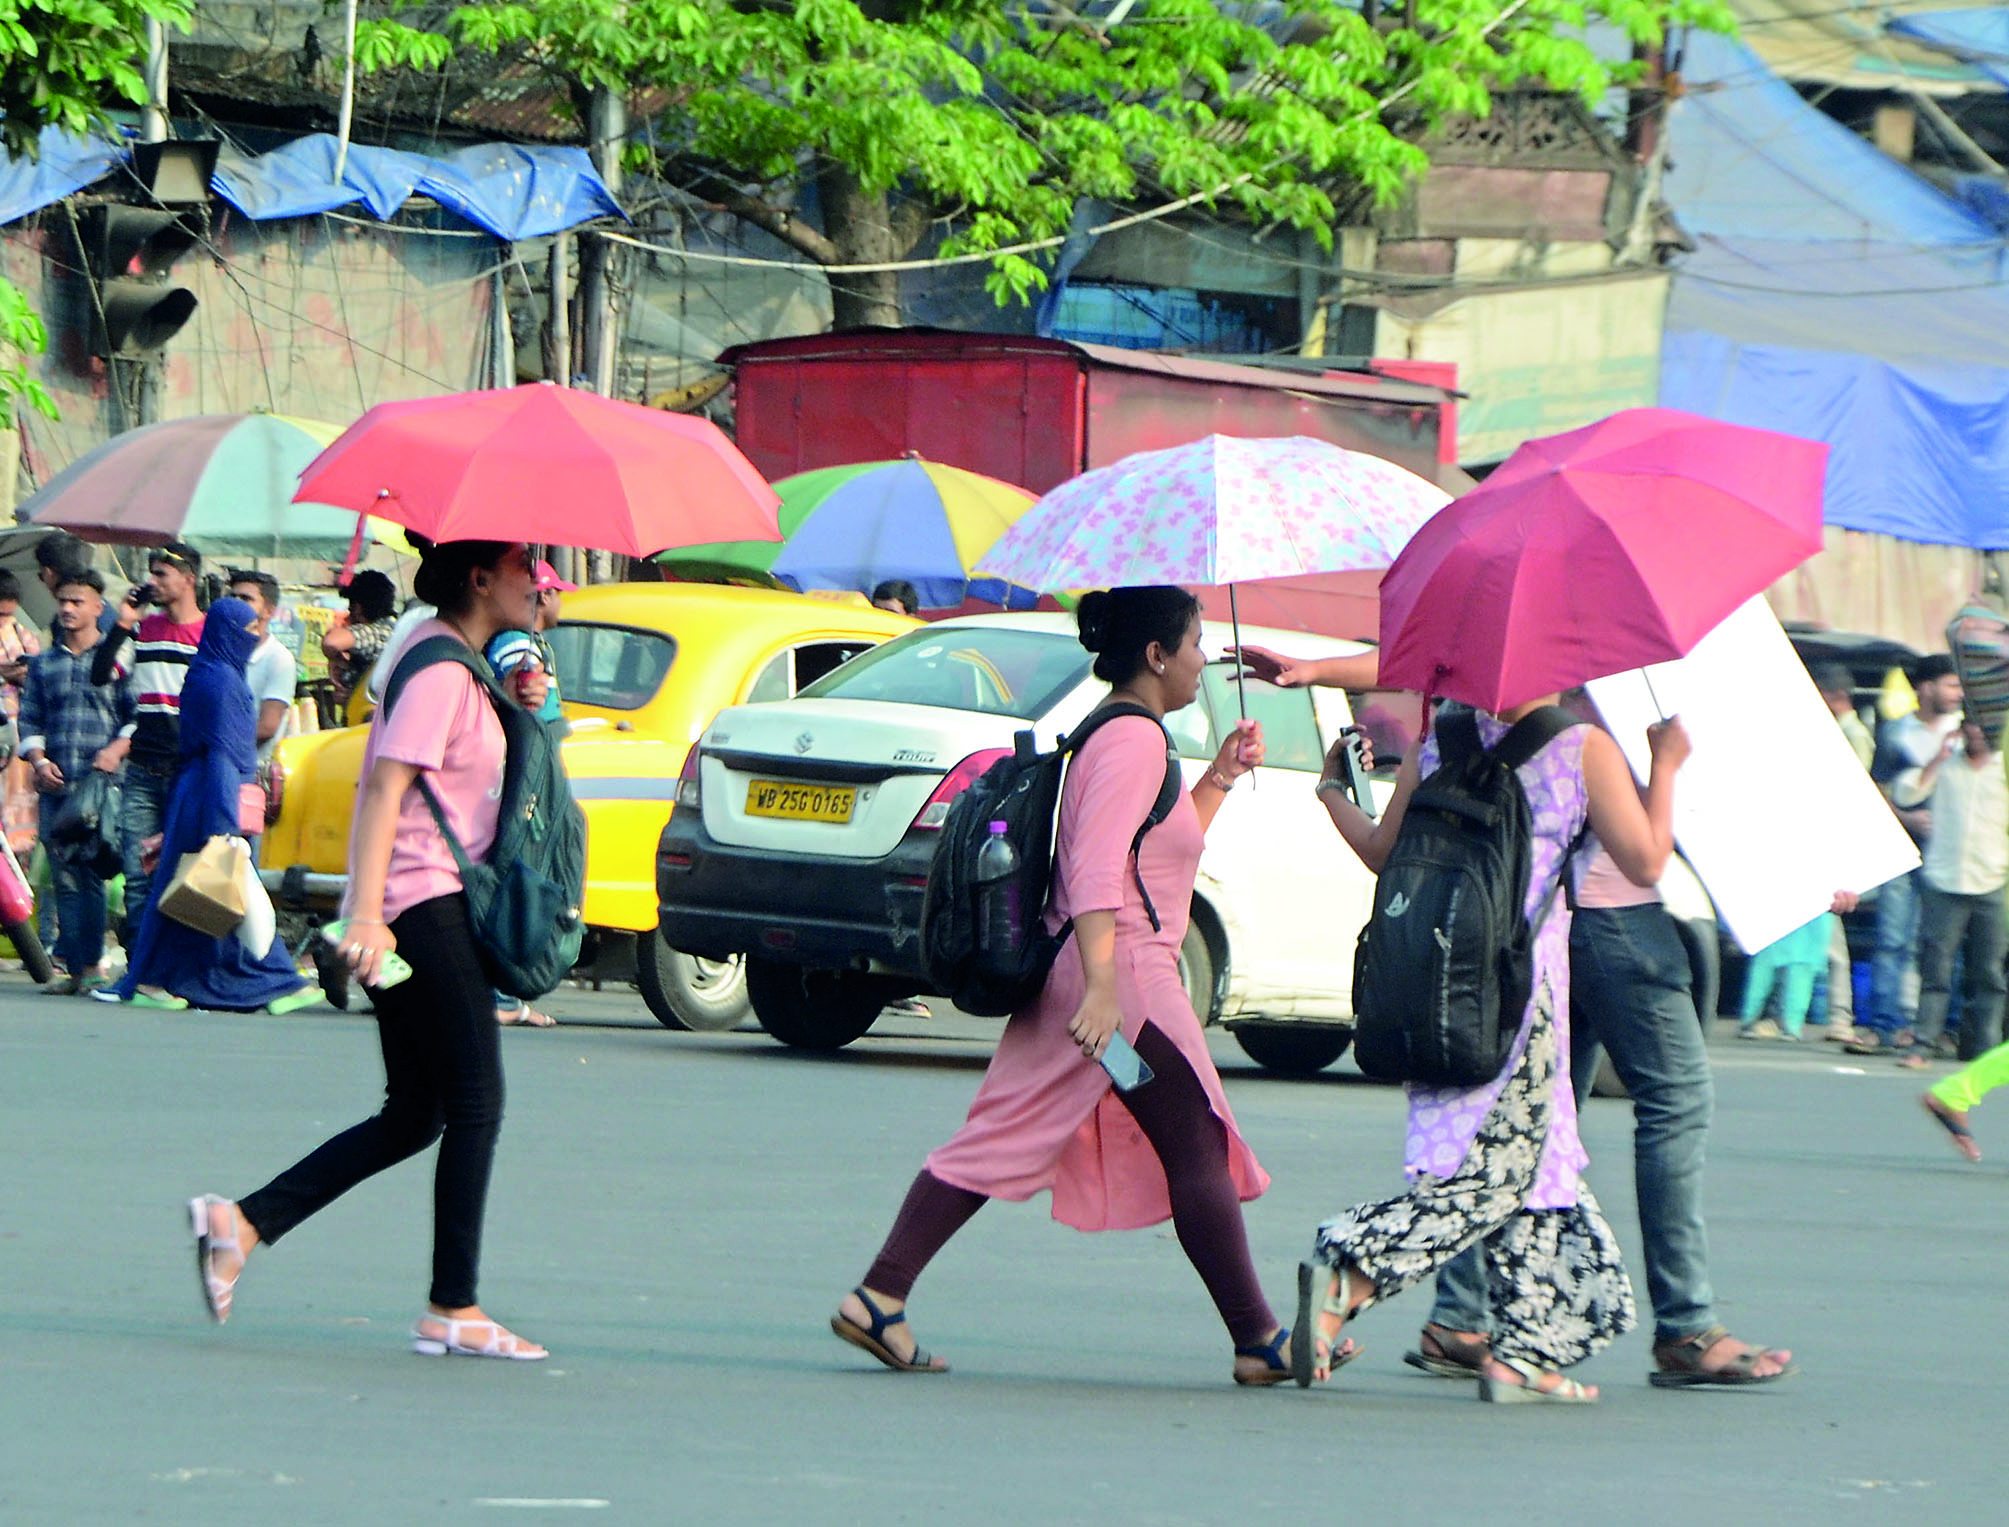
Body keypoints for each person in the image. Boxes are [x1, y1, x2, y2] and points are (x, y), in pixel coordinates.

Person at [830, 586, 1289, 1383]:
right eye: (1193, 641)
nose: (1202, 656)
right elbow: (1094, 869)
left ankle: (880, 1293)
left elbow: (1151, 852)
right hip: (1122, 978)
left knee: (1002, 1134)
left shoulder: (1128, 736)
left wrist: (1216, 777)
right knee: (1194, 1143)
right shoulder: (1132, 739)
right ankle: (1258, 1339)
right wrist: (1104, 986)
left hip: (1094, 971)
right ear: (1154, 655)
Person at [187, 539, 552, 1361]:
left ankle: (241, 1222)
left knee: (415, 1112)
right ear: (481, 578)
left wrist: (521, 705)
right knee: (476, 1100)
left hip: (404, 907)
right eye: (529, 568)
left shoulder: (457, 662)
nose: (541, 583)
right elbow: (385, 784)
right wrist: (369, 914)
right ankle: (452, 1304)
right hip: (417, 909)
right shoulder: (438, 668)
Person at [1296, 699, 1691, 1404]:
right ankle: (1349, 1271)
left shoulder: (1441, 734)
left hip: (1441, 978)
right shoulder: (1582, 747)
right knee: (1497, 1177)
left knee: (1539, 1166)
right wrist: (1662, 766)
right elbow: (1646, 857)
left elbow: (1384, 853)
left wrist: (1331, 790)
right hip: (1519, 992)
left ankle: (1524, 1351)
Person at [97, 598, 314, 1013]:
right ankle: (272, 979)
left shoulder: (212, 674)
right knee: (212, 886)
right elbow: (220, 755)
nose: (255, 638)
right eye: (247, 631)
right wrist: (224, 824)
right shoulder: (221, 683)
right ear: (227, 633)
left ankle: (160, 978)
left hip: (204, 794)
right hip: (212, 795)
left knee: (197, 887)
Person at [17, 570, 130, 995]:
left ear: (98, 608)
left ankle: (94, 965)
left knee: (92, 874)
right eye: (63, 601)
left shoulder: (119, 658)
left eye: (77, 602)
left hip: (103, 788)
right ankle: (79, 971)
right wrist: (39, 760)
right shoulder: (45, 663)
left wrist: (116, 750)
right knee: (63, 877)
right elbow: (30, 718)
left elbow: (135, 716)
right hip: (57, 788)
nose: (67, 608)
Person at [93, 540, 206, 945]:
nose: (152, 581)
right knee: (137, 874)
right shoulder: (144, 629)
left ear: (188, 579)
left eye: (162, 574)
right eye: (152, 573)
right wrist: (123, 622)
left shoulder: (207, 632)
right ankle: (141, 969)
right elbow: (101, 674)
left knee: (186, 872)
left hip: (188, 770)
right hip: (143, 769)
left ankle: (176, 961)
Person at [1855, 656, 1963, 1055]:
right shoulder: (1897, 732)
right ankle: (1883, 1027)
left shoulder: (1965, 734)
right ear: (1926, 687)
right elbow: (1878, 790)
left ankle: (1943, 1028)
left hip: (1951, 855)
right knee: (1892, 941)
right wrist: (1907, 817)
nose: (1959, 693)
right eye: (1951, 685)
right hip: (1902, 851)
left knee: (1945, 945)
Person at [485, 558, 572, 1028]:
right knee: (520, 876)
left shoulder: (532, 645)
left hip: (531, 769)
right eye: (556, 592)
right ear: (541, 596)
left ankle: (504, 993)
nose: (562, 602)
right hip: (525, 776)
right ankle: (500, 994)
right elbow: (520, 701)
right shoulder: (520, 646)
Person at [1891, 716, 2007, 1068]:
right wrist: (1937, 759)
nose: (1975, 732)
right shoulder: (1945, 767)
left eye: (1981, 726)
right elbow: (1906, 792)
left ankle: (1983, 1051)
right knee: (1936, 969)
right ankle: (1923, 1044)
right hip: (1944, 881)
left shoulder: (2003, 769)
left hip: (1993, 879)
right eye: (1968, 725)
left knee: (1989, 973)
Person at [1814, 663, 1871, 1040]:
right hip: (1824, 842)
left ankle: (1839, 1015)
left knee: (1832, 937)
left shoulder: (1853, 735)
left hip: (1838, 846)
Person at [228, 571, 297, 766]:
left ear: (268, 611)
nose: (236, 604)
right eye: (232, 597)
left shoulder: (278, 659)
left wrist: (215, 743)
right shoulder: (221, 652)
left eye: (246, 598)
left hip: (252, 770)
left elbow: (267, 727)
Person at [321, 569, 399, 703]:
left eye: (350, 608)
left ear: (357, 609)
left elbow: (331, 641)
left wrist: (336, 659)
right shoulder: (396, 628)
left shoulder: (377, 632)